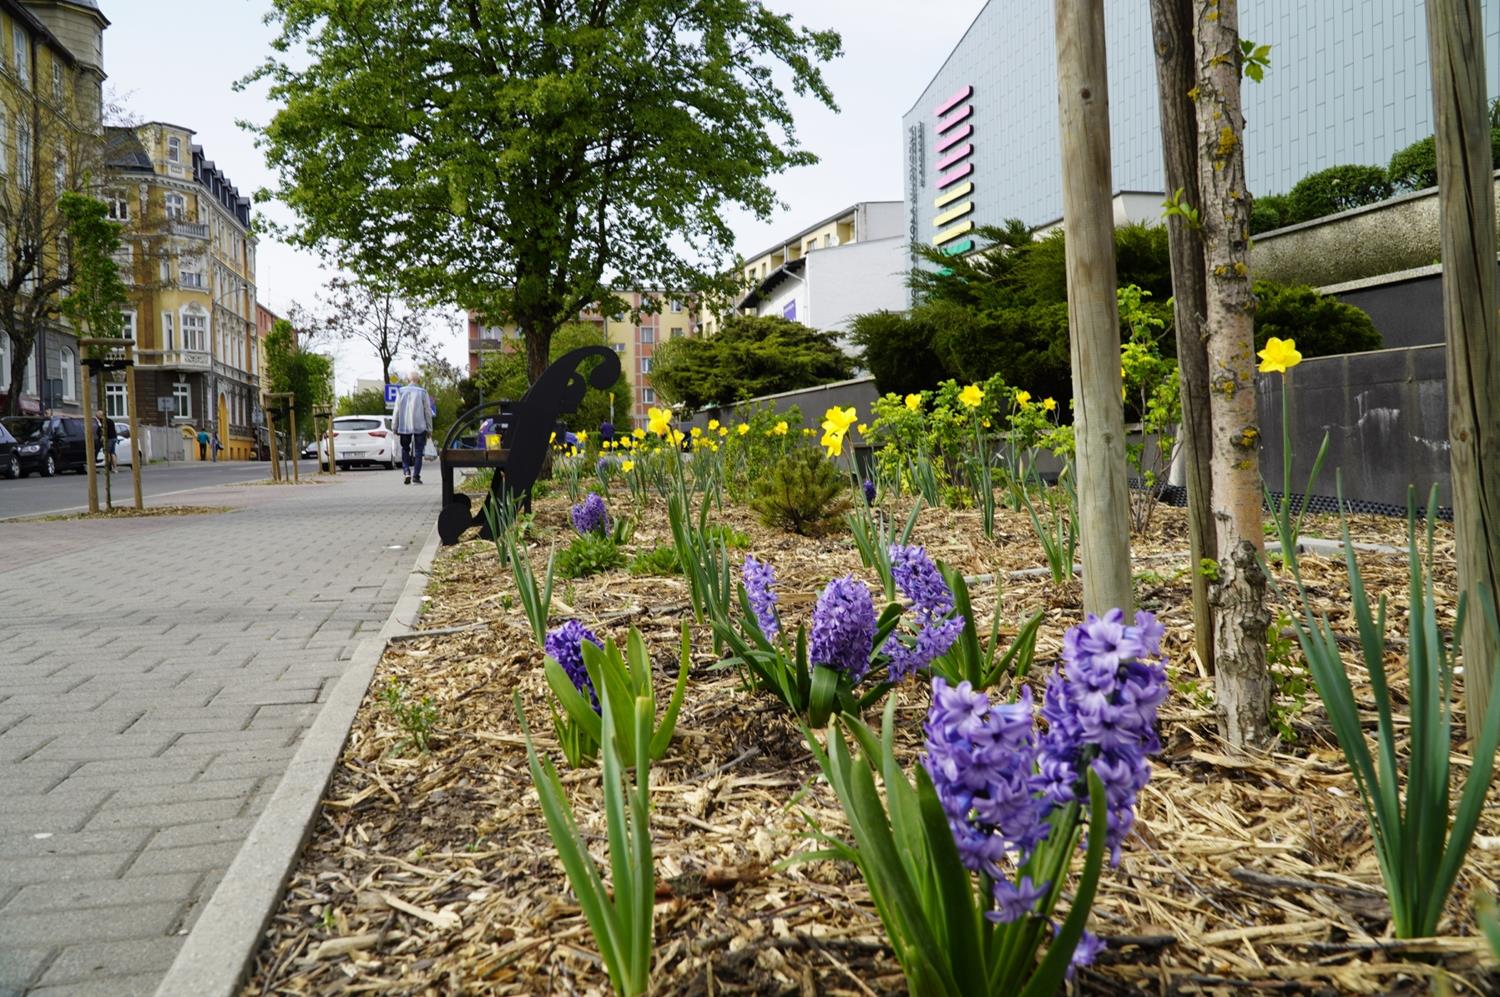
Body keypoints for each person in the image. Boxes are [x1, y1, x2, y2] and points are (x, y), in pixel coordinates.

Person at [393, 371, 433, 484]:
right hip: (420, 426)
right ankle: (416, 477)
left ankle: (406, 471)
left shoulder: (401, 391)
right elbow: (428, 411)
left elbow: (396, 410)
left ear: (407, 380)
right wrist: (429, 428)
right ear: (418, 380)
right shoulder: (423, 392)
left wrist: (394, 426)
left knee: (405, 449)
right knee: (419, 451)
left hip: (404, 426)